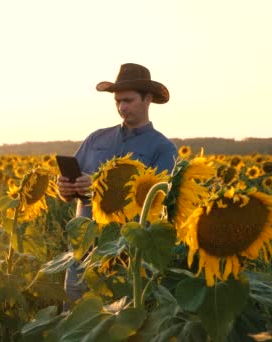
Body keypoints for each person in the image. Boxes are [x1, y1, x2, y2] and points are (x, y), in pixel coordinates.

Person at [57, 62, 178, 308]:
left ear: (147, 99)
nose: (122, 107)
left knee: (121, 321)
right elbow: (70, 191)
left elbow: (159, 205)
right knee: (75, 317)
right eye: (118, 102)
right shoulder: (96, 139)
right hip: (85, 248)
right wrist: (65, 189)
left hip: (128, 252)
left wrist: (102, 188)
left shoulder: (162, 149)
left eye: (128, 100)